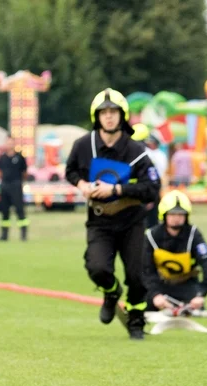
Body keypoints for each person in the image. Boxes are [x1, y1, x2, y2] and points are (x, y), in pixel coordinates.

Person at [65, 89, 161, 340]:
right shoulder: (83, 145)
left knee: (137, 275)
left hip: (131, 219)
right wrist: (82, 185)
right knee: (97, 267)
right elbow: (71, 171)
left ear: (123, 116)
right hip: (100, 220)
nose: (109, 117)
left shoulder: (136, 150)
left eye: (113, 112)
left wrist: (118, 189)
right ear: (96, 117)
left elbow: (152, 188)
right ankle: (110, 292)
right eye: (103, 113)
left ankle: (137, 321)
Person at [144, 190, 207, 312]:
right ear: (164, 215)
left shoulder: (194, 235)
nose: (176, 218)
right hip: (159, 285)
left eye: (180, 214)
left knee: (196, 312)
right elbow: (145, 270)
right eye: (172, 214)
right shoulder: (151, 236)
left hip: (187, 284)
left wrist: (200, 294)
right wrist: (155, 294)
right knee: (144, 310)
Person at [0, 136, 29, 241]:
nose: (9, 145)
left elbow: (24, 172)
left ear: (14, 144)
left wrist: (20, 183)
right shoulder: (2, 157)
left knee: (19, 209)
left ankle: (23, 234)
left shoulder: (19, 157)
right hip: (5, 186)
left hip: (16, 185)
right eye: (7, 142)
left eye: (11, 143)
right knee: (4, 211)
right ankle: (4, 235)